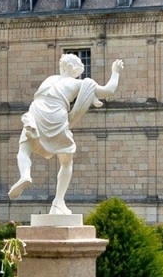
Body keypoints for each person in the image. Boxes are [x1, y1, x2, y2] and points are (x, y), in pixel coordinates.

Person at [8, 53, 124, 215]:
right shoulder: (77, 83)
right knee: (66, 162)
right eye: (78, 71)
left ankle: (25, 174)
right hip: (56, 114)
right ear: (72, 68)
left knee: (24, 150)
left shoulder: (49, 79)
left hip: (36, 111)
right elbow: (108, 90)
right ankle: (58, 201)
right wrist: (115, 72)